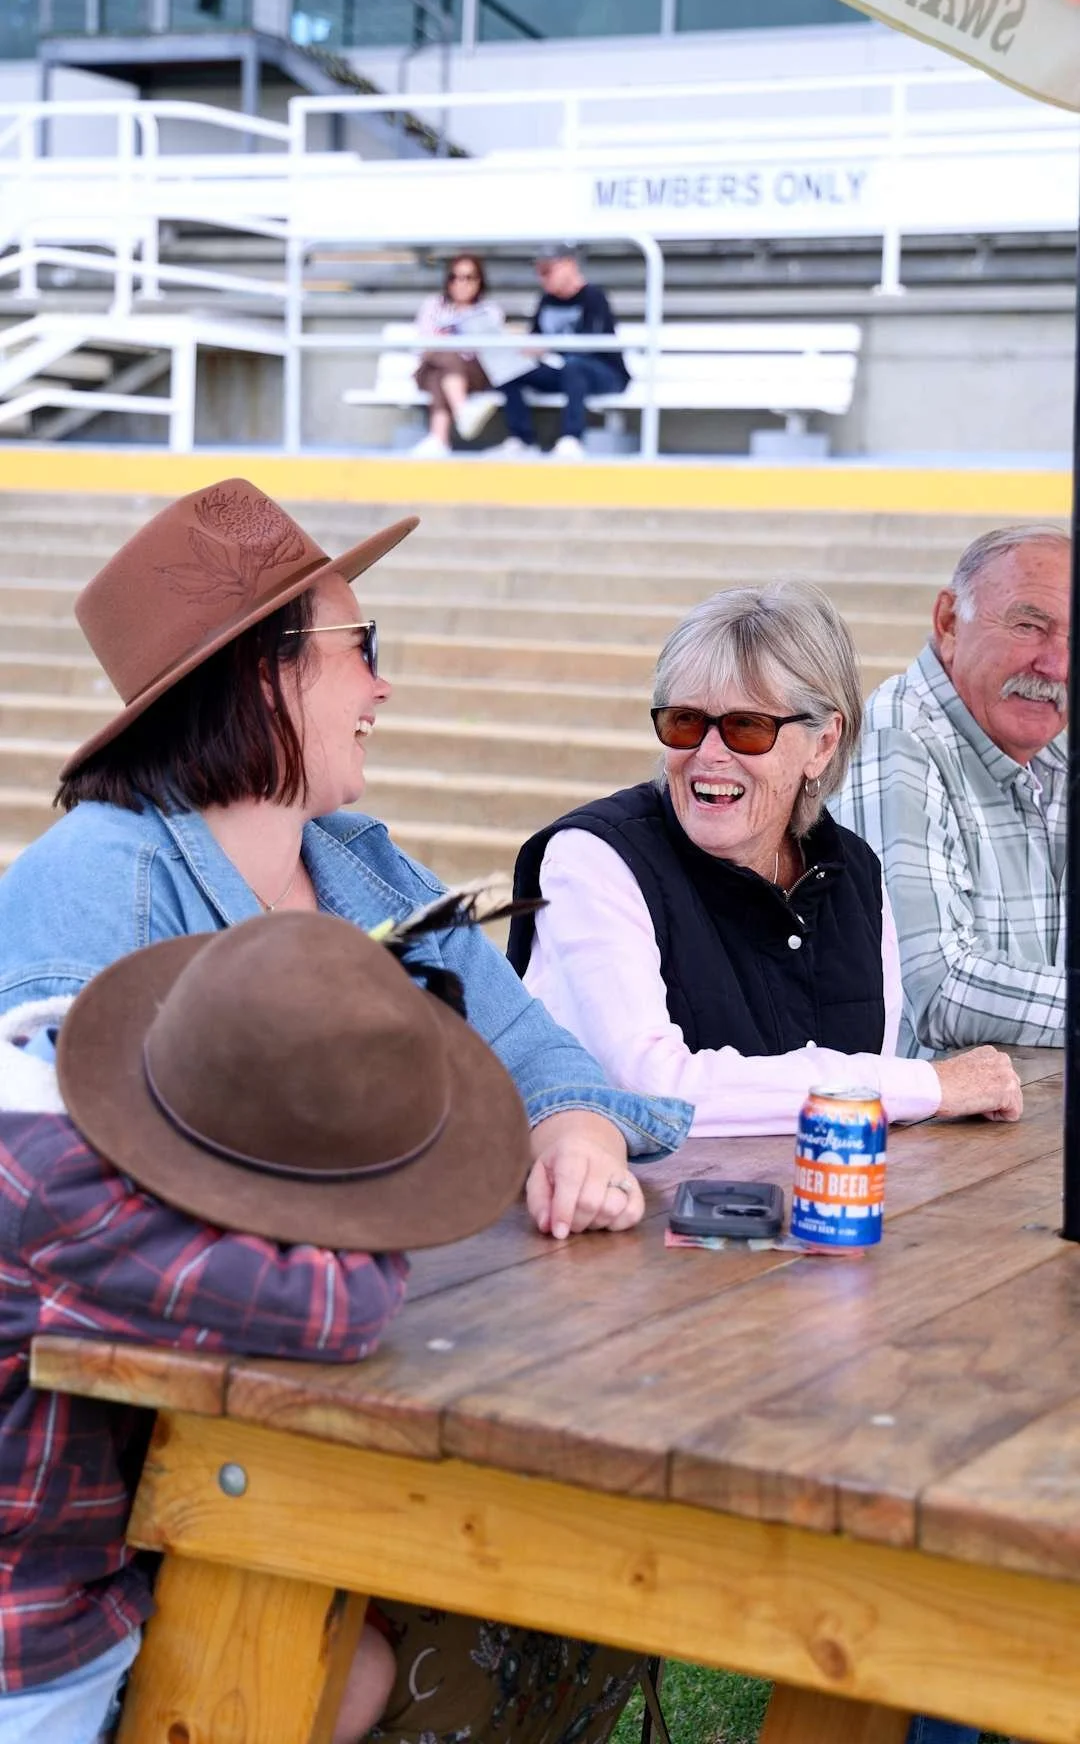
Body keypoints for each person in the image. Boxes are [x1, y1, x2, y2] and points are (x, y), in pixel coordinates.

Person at [0, 477, 677, 1744]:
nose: (382, 685)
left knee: (480, 1593)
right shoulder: (91, 883)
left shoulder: (361, 860)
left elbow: (552, 1062)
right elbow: (86, 1229)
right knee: (389, 1631)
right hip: (116, 1493)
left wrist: (575, 1131)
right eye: (362, 648)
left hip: (343, 1387)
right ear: (266, 677)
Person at [0, 908, 530, 1743]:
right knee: (306, 1667)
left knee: (347, 1665)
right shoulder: (61, 1191)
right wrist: (359, 1194)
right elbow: (334, 1308)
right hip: (29, 1646)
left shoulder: (37, 1107)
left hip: (65, 1573)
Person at [509, 581, 1021, 1135]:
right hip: (633, 1212)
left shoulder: (855, 871)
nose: (707, 755)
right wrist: (926, 1085)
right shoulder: (591, 860)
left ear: (823, 744)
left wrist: (891, 1088)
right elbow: (653, 1091)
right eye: (684, 721)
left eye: (746, 727)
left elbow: (870, 1080)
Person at [833, 524, 1069, 1056]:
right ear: (948, 622)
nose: (1057, 665)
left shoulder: (1051, 754)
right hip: (924, 1133)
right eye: (1030, 625)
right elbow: (938, 992)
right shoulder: (895, 741)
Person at [499, 243, 629, 463]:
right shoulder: (546, 300)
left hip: (603, 372)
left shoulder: (594, 297)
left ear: (569, 265)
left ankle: (571, 437)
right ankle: (522, 439)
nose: (542, 277)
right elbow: (536, 337)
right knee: (509, 370)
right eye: (539, 272)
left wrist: (548, 347)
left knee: (575, 366)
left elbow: (592, 345)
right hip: (561, 371)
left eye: (547, 270)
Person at [410, 253, 506, 458]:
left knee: (443, 374)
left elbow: (489, 351)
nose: (461, 283)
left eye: (468, 277)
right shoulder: (433, 305)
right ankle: (463, 411)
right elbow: (422, 345)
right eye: (455, 277)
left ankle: (439, 439)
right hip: (430, 365)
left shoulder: (489, 311)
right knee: (445, 361)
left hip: (474, 373)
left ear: (479, 281)